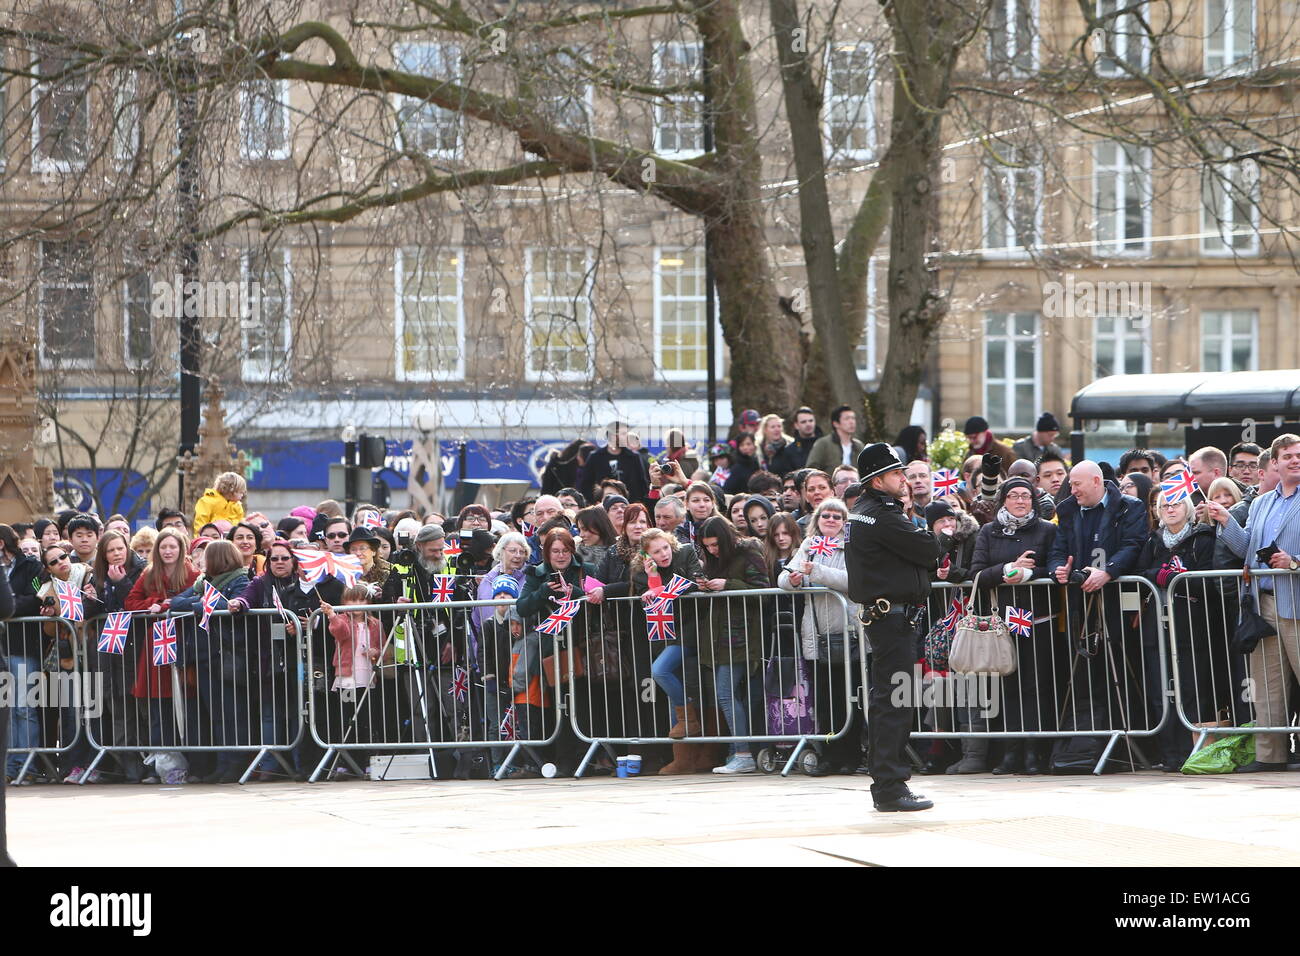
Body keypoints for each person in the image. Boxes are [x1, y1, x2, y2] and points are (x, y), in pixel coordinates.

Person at [846, 443, 940, 812]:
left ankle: (889, 781)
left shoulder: (864, 512)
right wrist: (925, 532)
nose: (904, 478)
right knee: (894, 701)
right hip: (893, 619)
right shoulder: (883, 515)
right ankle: (890, 786)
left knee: (891, 699)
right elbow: (929, 549)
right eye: (897, 473)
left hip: (890, 618)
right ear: (877, 480)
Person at [1201, 434, 1300, 772]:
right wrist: (1227, 521)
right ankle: (1269, 755)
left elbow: (1290, 559)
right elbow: (1246, 548)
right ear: (1275, 462)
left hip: (1297, 600)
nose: (1294, 460)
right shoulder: (1260, 503)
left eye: (1299, 454)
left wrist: (1295, 562)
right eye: (1287, 456)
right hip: (1264, 602)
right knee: (1268, 683)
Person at [1046, 461, 1148, 760]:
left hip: (1117, 604)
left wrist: (1108, 572)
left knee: (1122, 668)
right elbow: (1057, 550)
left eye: (1076, 484)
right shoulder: (1067, 509)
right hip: (1081, 605)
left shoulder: (1130, 507)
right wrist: (1057, 571)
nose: (1071, 489)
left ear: (1095, 480)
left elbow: (1133, 544)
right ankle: (1085, 746)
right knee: (1084, 675)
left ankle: (1129, 744)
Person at [968, 478, 1059, 775]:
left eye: (1026, 496)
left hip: (1038, 620)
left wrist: (1029, 574)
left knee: (1037, 686)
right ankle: (1010, 751)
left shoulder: (1047, 530)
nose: (1020, 501)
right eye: (1014, 496)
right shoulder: (988, 531)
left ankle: (1035, 751)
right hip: (1003, 622)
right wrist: (1007, 570)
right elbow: (977, 574)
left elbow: (1055, 569)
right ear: (1004, 500)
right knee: (1009, 686)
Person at [1137, 491, 1223, 771]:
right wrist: (1157, 576)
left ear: (1187, 508)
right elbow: (1140, 573)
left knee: (1191, 688)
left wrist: (1178, 578)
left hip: (1191, 627)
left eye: (1176, 504)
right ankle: (1170, 753)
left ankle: (1194, 750)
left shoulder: (1203, 539)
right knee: (1160, 691)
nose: (1170, 509)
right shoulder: (1152, 541)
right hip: (1156, 628)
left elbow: (1210, 580)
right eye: (1164, 505)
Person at [779, 498, 862, 774]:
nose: (830, 520)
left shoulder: (852, 547)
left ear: (844, 522)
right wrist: (792, 580)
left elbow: (853, 581)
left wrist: (817, 572)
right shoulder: (809, 545)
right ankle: (830, 756)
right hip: (816, 636)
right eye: (825, 515)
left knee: (848, 699)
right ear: (817, 519)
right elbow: (785, 576)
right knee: (824, 701)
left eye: (837, 517)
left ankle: (850, 756)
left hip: (849, 634)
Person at [169, 540, 253, 784]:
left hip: (225, 654)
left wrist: (200, 605)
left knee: (231, 714)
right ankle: (222, 763)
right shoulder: (203, 582)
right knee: (216, 714)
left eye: (208, 556)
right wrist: (200, 605)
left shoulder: (240, 579)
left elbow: (228, 605)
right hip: (204, 656)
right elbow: (177, 602)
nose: (203, 561)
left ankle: (235, 764)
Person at [124, 528, 200, 784]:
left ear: (181, 549)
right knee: (157, 706)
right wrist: (152, 603)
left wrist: (170, 604)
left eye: (172, 547)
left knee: (184, 706)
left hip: (182, 643)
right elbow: (131, 602)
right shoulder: (149, 573)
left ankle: (191, 763)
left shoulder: (191, 574)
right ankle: (162, 765)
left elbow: (198, 599)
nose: (168, 551)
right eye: (163, 547)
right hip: (156, 643)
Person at [694, 516, 768, 774]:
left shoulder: (749, 553)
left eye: (715, 545)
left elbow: (763, 590)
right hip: (720, 636)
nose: (712, 550)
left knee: (725, 694)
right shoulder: (715, 560)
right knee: (729, 695)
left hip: (741, 636)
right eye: (708, 547)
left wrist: (728, 585)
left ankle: (743, 753)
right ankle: (740, 751)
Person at [579, 423, 649, 505]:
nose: (627, 437)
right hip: (603, 507)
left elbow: (642, 484)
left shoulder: (633, 457)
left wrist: (636, 503)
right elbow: (586, 484)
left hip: (629, 506)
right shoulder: (595, 457)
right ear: (612, 436)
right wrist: (595, 503)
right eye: (623, 434)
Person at [806, 405, 865, 475]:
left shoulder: (859, 445)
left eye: (853, 418)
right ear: (836, 423)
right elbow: (811, 468)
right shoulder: (823, 443)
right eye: (847, 419)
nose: (851, 422)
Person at [191, 472, 247, 537]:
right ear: (232, 491)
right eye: (241, 492)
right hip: (211, 541)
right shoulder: (207, 501)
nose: (242, 495)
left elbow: (241, 524)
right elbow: (200, 525)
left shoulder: (237, 506)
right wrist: (199, 541)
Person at [770, 407, 822, 476]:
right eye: (803, 422)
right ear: (796, 425)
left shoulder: (824, 445)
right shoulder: (788, 451)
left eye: (811, 421)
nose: (808, 424)